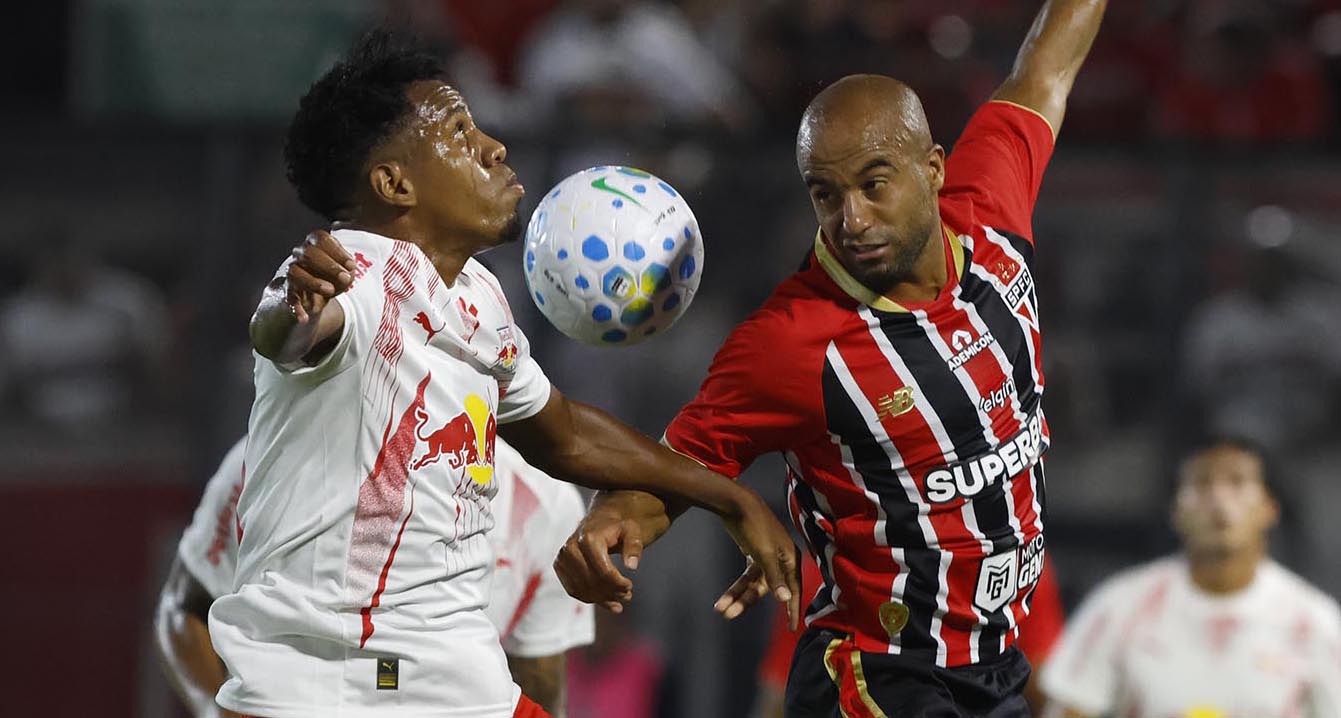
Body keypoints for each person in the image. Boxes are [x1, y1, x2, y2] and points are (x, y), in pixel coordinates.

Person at [214, 30, 798, 718]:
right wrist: (292, 311)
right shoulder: (354, 268)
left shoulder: (478, 296)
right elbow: (287, 333)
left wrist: (727, 496)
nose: (493, 147)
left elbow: (566, 435)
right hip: (330, 681)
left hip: (451, 672)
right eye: (459, 135)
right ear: (395, 184)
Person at [553, 1, 1107, 715]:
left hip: (993, 668)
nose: (852, 219)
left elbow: (1045, 71)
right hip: (878, 677)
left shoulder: (990, 212)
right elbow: (676, 466)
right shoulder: (789, 342)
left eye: (874, 184)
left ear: (933, 169)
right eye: (826, 194)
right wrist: (613, 522)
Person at [154, 438, 594, 718]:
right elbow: (183, 609)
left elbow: (540, 680)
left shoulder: (545, 506)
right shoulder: (267, 458)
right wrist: (215, 712)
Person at [1039, 438, 1341, 717]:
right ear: (1175, 510)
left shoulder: (1315, 623)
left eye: (1237, 482)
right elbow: (1068, 709)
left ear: (1269, 508)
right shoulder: (1118, 609)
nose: (1219, 499)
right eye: (1201, 483)